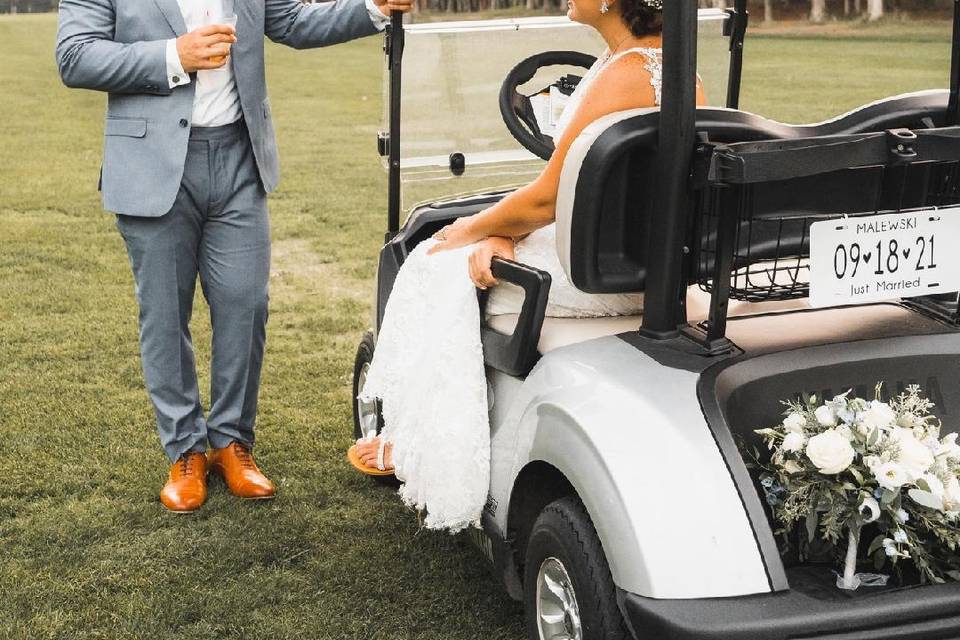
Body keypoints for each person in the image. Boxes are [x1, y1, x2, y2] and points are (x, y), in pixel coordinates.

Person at [349, 0, 706, 531]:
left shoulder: (623, 74)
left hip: (595, 269)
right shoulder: (665, 65)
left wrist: (472, 229)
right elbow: (588, 192)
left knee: (431, 259)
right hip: (641, 257)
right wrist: (501, 231)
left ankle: (423, 446)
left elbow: (546, 200)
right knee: (470, 248)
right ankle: (419, 431)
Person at [56, 0, 412, 513]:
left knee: (246, 305)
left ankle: (230, 443)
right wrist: (173, 54)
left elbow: (291, 20)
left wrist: (372, 8)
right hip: (151, 166)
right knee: (164, 315)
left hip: (240, 159)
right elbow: (75, 55)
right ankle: (185, 452)